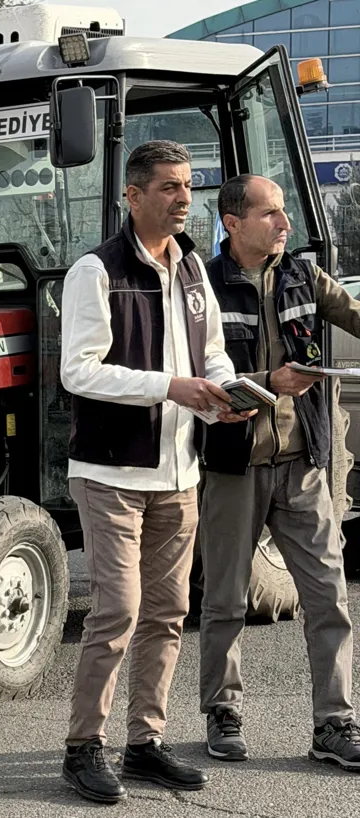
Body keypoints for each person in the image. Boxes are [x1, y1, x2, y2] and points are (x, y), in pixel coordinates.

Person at [58, 141, 253, 803]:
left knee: (168, 613)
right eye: (169, 187)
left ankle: (144, 744)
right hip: (110, 472)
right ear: (133, 195)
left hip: (179, 474)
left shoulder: (193, 266)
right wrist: (170, 387)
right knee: (117, 611)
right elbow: (78, 371)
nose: (183, 198)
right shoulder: (95, 270)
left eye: (188, 185)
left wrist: (223, 393)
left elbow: (212, 353)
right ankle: (83, 747)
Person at [199, 174, 360, 770]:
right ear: (232, 223)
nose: (284, 223)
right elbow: (191, 375)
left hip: (301, 466)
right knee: (224, 600)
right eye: (270, 213)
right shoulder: (202, 287)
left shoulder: (304, 277)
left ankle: (333, 723)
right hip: (233, 467)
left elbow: (355, 315)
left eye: (284, 211)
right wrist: (268, 382)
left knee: (329, 597)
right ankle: (222, 712)